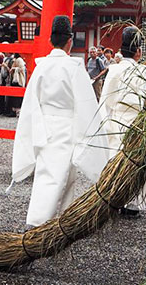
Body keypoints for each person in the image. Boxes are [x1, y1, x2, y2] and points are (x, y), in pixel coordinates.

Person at [11, 16, 109, 226]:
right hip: (67, 127)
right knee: (61, 176)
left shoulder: (41, 67)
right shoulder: (73, 67)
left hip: (44, 126)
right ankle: (45, 222)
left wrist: (32, 129)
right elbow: (85, 103)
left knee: (47, 173)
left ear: (50, 41)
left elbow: (30, 103)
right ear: (69, 41)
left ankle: (47, 220)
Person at [98, 26, 146, 217]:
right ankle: (132, 204)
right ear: (138, 51)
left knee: (115, 158)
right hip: (137, 121)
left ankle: (112, 198)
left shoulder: (114, 70)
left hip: (118, 119)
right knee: (135, 162)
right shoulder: (144, 71)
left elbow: (106, 100)